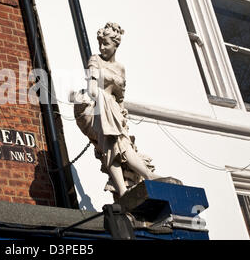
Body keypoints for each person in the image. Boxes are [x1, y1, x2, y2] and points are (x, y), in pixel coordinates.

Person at [70, 22, 179, 202]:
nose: (102, 47)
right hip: (100, 105)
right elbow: (92, 89)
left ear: (116, 44)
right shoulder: (95, 60)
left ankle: (130, 186)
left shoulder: (120, 68)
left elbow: (120, 99)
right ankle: (135, 183)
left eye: (106, 44)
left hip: (114, 108)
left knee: (121, 145)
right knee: (112, 145)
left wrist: (120, 113)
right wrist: (103, 106)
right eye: (100, 44)